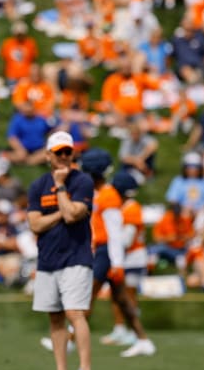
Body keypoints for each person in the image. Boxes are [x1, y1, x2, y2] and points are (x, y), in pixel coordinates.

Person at [26, 131, 93, 370]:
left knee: (75, 313)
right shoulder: (37, 186)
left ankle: (85, 367)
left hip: (76, 257)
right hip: (47, 259)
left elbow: (73, 214)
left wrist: (61, 186)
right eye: (59, 152)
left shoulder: (82, 181)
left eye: (68, 152)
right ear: (48, 155)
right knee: (55, 318)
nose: (64, 156)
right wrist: (59, 214)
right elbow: (35, 223)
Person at [79, 149, 155, 357]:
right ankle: (142, 339)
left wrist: (117, 263)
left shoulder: (112, 198)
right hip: (108, 252)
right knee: (121, 300)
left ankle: (68, 339)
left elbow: (116, 236)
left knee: (88, 296)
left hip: (110, 254)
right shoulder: (100, 194)